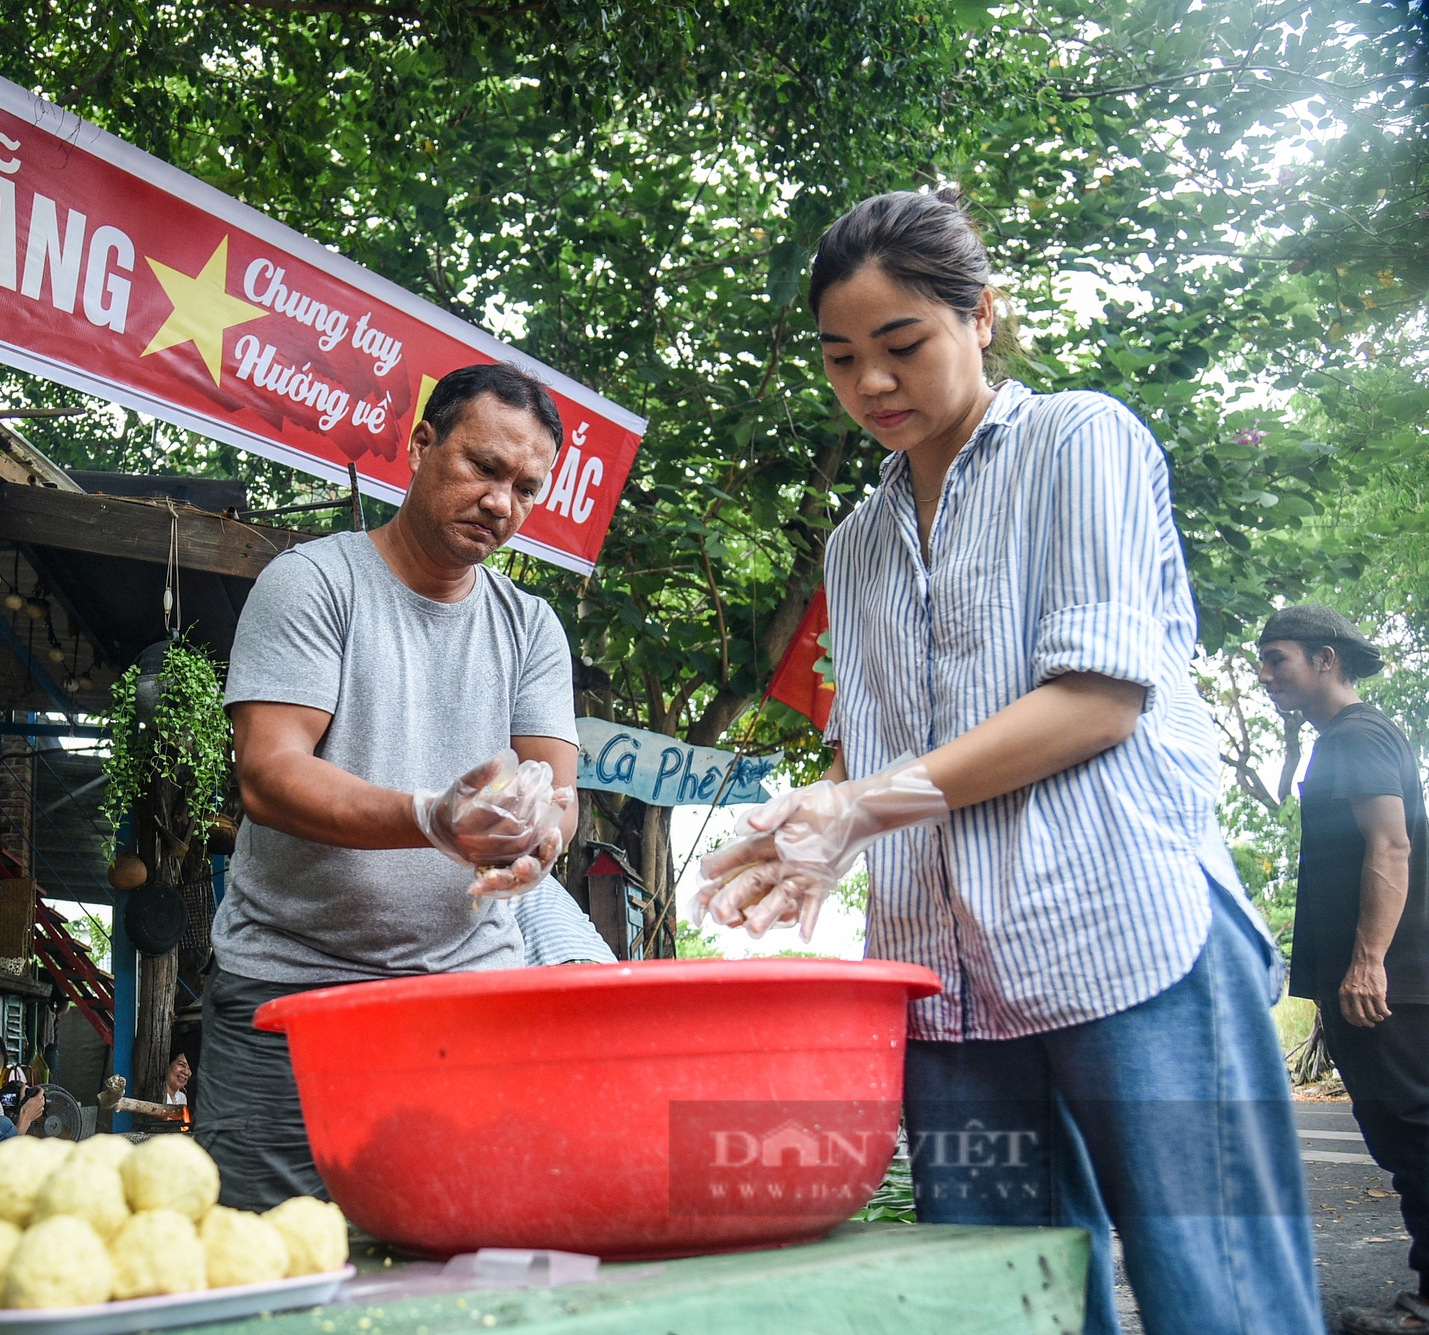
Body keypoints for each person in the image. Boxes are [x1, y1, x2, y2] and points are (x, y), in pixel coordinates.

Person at [692, 189, 1322, 1335]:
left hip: (1124, 936)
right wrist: (824, 843)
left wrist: (857, 806)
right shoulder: (854, 544)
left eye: (900, 345)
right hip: (946, 985)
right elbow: (880, 756)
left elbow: (1093, 703)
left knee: (1217, 1303)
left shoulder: (1081, 439)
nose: (870, 384)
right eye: (840, 360)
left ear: (980, 316)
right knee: (1001, 1314)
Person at [195, 362, 580, 1210]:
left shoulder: (531, 626)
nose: (500, 502)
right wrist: (431, 819)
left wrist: (538, 838)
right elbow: (269, 772)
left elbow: (556, 785)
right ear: (422, 444)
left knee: (457, 1264)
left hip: (466, 1000)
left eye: (525, 487)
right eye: (482, 466)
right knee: (268, 1270)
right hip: (289, 998)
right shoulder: (314, 582)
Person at [1256, 605, 1429, 1335]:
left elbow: (1389, 848)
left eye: (1278, 660)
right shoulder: (1350, 738)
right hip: (1381, 980)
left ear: (1326, 659)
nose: (1265, 676)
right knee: (1402, 1133)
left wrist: (1366, 965)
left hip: (1393, 980)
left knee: (1414, 1132)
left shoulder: (1357, 736)